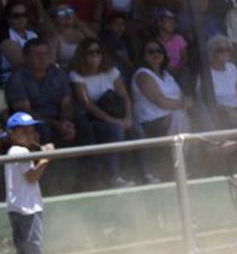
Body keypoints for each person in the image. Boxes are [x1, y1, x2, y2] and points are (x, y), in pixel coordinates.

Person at [68, 38, 139, 187]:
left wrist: (128, 117)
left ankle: (145, 172)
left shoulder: (112, 71)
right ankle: (114, 176)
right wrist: (112, 120)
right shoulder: (76, 75)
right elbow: (87, 104)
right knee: (116, 130)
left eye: (98, 52)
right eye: (90, 52)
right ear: (82, 55)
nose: (95, 55)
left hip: (118, 114)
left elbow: (125, 96)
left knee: (137, 129)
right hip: (95, 119)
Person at [5, 111, 51, 254]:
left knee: (24, 248)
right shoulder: (20, 151)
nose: (29, 135)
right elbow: (32, 177)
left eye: (31, 131)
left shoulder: (15, 151)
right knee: (33, 246)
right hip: (27, 208)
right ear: (12, 134)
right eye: (23, 131)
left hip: (18, 207)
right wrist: (47, 157)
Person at [5, 38, 76, 147]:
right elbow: (25, 111)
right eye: (36, 55)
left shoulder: (59, 74)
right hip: (35, 121)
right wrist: (56, 125)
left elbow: (66, 103)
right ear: (26, 58)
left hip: (60, 119)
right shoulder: (17, 79)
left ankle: (90, 161)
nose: (42, 58)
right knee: (42, 130)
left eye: (45, 54)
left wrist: (66, 122)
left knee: (83, 124)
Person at [131, 39, 190, 138]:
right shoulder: (142, 74)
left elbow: (182, 95)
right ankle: (182, 152)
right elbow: (160, 101)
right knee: (180, 115)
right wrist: (183, 104)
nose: (156, 54)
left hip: (173, 116)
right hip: (154, 122)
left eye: (159, 51)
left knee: (197, 108)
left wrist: (188, 101)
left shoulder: (167, 75)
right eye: (151, 51)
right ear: (143, 55)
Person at [199, 34, 237, 130]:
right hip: (219, 113)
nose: (225, 53)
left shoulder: (231, 67)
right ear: (211, 53)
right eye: (220, 50)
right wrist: (227, 110)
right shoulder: (206, 73)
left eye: (228, 50)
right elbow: (204, 100)